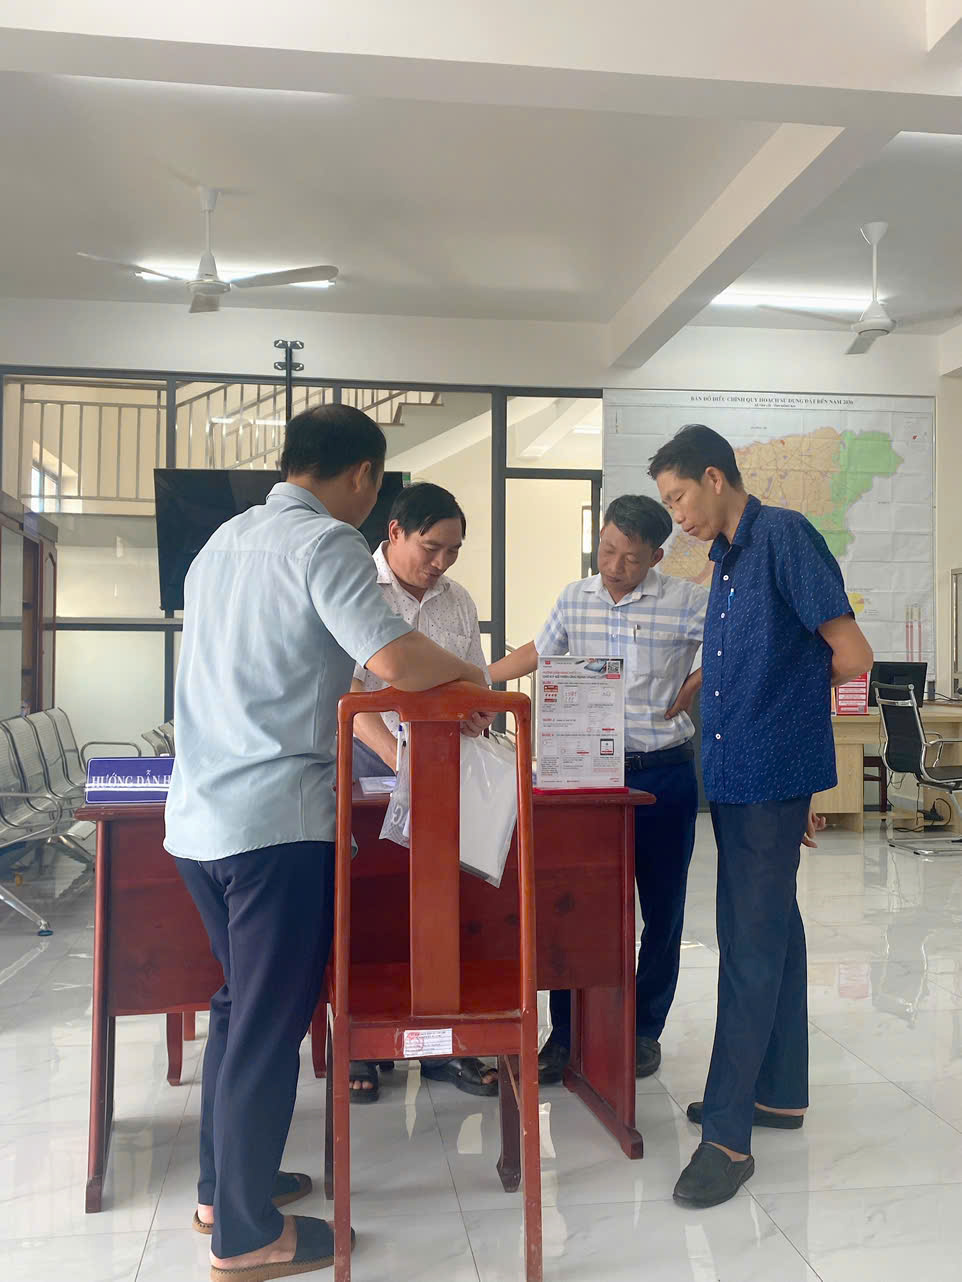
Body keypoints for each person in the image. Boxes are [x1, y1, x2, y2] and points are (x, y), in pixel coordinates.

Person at [164, 405, 490, 1282]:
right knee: (267, 1024)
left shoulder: (223, 541)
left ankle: (222, 1191)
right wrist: (473, 673)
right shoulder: (326, 543)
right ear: (363, 476)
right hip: (273, 825)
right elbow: (395, 661)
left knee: (238, 1008)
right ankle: (245, 1237)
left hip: (199, 821)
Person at [649, 423, 873, 1209]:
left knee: (748, 945)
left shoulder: (783, 537)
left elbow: (850, 655)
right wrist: (711, 685)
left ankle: (728, 1138)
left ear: (715, 478)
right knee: (775, 929)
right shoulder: (727, 558)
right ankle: (777, 1091)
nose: (677, 516)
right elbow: (760, 652)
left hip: (767, 771)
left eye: (679, 497)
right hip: (741, 774)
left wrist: (785, 725)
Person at [489, 494, 708, 1084]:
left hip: (662, 773)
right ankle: (566, 1034)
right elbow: (538, 652)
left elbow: (736, 647)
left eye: (630, 558)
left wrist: (697, 679)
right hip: (586, 776)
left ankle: (643, 1031)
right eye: (607, 550)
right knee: (573, 906)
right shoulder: (575, 597)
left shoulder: (687, 601)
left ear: (656, 557)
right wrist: (479, 683)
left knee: (662, 908)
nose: (614, 566)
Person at [349, 480, 499, 1102]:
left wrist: (479, 712)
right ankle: (363, 1044)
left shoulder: (457, 601)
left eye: (453, 551)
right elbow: (349, 697)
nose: (441, 562)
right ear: (395, 533)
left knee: (443, 904)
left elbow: (475, 681)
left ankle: (444, 1045)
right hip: (369, 762)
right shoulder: (356, 586)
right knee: (371, 902)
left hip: (440, 769)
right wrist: (398, 757)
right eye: (431, 547)